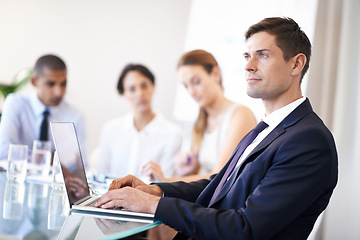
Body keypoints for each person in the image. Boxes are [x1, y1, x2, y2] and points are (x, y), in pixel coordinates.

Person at [95, 17, 338, 240]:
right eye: (246, 56)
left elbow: (245, 228)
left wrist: (152, 205)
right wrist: (154, 191)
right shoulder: (267, 128)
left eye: (262, 55)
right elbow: (219, 185)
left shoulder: (308, 141)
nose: (249, 66)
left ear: (296, 64)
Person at [140, 50, 257, 182]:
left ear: (216, 74)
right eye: (186, 86)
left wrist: (166, 180)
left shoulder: (240, 115)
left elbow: (219, 177)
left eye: (196, 82)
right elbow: (200, 176)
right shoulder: (200, 123)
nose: (191, 92)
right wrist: (189, 169)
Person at [91, 64, 182, 179]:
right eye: (132, 89)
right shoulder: (110, 129)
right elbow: (99, 175)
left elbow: (169, 182)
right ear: (123, 94)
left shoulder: (173, 133)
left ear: (153, 87)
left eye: (144, 86)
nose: (139, 93)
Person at [0, 54, 86, 161]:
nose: (59, 92)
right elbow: (3, 151)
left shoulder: (75, 115)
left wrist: (26, 154)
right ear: (34, 81)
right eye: (50, 84)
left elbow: (80, 163)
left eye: (63, 84)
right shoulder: (16, 103)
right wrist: (48, 157)